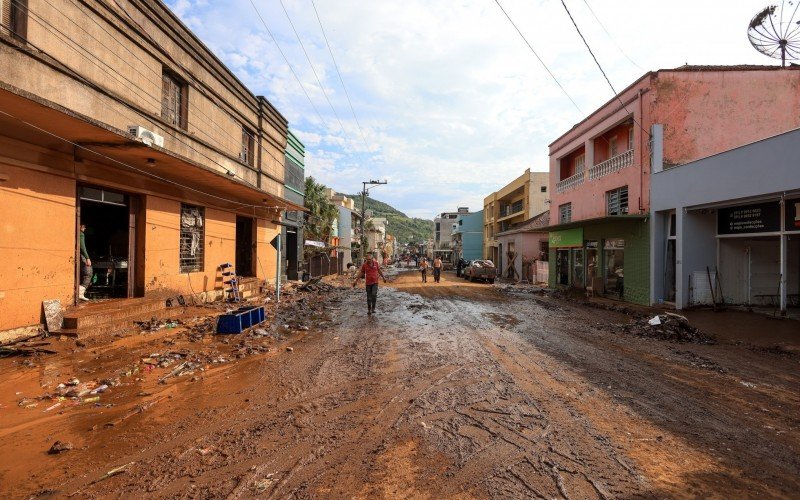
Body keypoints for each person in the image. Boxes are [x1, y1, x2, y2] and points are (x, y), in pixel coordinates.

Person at [78, 223, 92, 301]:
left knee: (83, 273)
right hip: (82, 256)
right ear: (79, 226)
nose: (84, 228)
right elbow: (82, 247)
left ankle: (80, 293)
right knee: (88, 273)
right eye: (83, 226)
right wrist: (87, 258)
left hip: (79, 256)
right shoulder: (81, 234)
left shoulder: (77, 233)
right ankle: (80, 293)